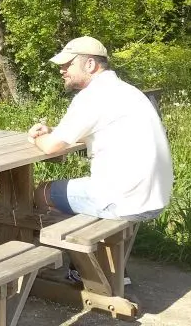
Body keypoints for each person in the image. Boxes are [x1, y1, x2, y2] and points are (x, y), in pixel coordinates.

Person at [28, 36, 173, 221]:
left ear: (90, 64)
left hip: (124, 201)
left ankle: (68, 246)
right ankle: (83, 243)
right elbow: (92, 130)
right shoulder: (127, 91)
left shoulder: (91, 96)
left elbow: (50, 146)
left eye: (68, 64)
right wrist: (52, 130)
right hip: (156, 198)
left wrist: (35, 137)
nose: (61, 70)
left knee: (43, 191)